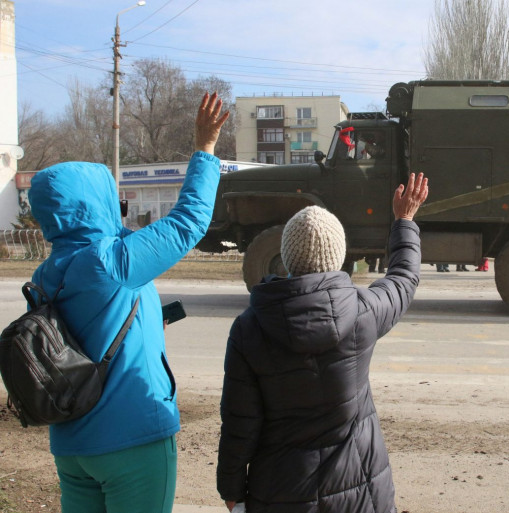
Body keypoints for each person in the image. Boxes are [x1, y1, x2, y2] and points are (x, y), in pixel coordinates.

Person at [27, 92, 229, 513]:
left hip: (71, 445)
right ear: (94, 203)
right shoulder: (108, 262)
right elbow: (187, 222)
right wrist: (205, 148)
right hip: (130, 440)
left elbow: (79, 338)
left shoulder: (45, 274)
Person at [217, 173, 429, 513]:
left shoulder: (249, 328)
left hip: (280, 493)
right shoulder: (363, 312)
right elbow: (403, 278)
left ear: (287, 257)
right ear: (338, 255)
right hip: (359, 492)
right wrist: (404, 220)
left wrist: (230, 488)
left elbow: (239, 421)